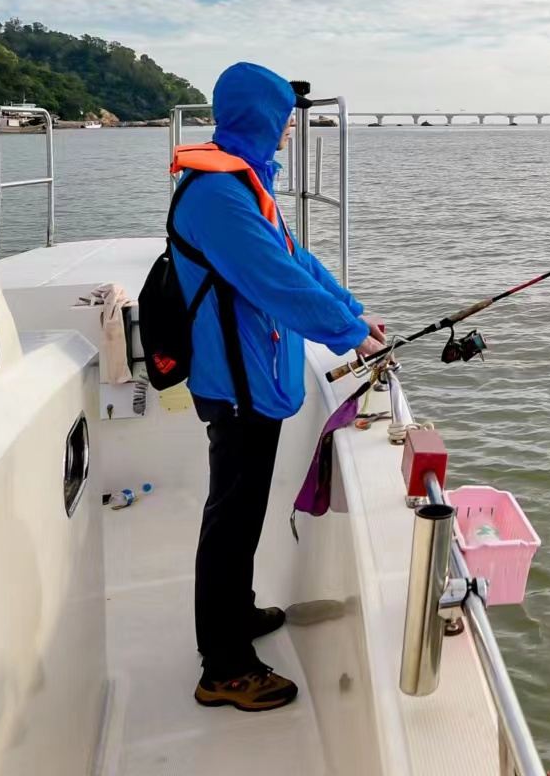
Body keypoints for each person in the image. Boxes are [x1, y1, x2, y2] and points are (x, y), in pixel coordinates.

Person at [170, 62, 382, 711]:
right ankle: (225, 667)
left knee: (243, 512)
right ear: (259, 121)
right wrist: (349, 338)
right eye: (284, 123)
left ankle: (238, 613)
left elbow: (299, 262)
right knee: (231, 521)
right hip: (234, 387)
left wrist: (353, 313)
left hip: (250, 379)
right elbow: (276, 283)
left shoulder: (242, 185)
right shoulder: (217, 197)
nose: (288, 134)